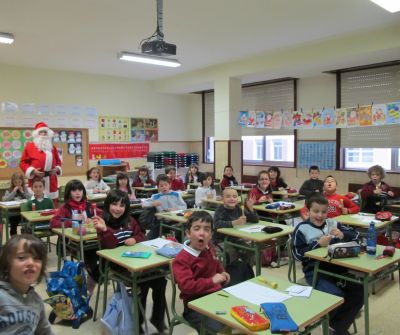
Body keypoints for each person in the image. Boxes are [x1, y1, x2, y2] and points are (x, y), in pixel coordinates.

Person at [92, 190, 167, 333]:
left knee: (161, 280)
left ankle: (157, 319)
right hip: (115, 265)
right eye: (114, 204)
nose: (118, 208)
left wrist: (135, 239)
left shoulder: (129, 220)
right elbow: (111, 245)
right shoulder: (103, 222)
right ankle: (137, 324)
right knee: (143, 283)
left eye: (122, 205)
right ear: (108, 205)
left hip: (134, 261)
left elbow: (141, 234)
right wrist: (104, 230)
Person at [291, 195, 363, 335]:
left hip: (338, 269)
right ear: (308, 211)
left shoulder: (332, 223)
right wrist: (318, 244)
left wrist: (342, 234)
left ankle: (335, 327)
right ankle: (329, 326)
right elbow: (296, 254)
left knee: (359, 291)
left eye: (324, 212)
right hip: (315, 271)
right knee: (335, 295)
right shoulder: (302, 228)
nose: (320, 215)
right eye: (316, 211)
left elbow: (356, 235)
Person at [172, 211, 230, 334]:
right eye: (197, 228)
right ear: (188, 233)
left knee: (237, 316)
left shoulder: (209, 247)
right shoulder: (181, 259)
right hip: (194, 305)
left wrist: (222, 272)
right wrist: (212, 281)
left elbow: (216, 264)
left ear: (211, 235)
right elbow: (187, 286)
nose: (202, 233)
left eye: (207, 229)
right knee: (214, 329)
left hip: (216, 296)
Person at [50, 179, 102, 287]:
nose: (77, 193)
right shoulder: (66, 207)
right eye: (74, 190)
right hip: (74, 244)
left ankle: (94, 276)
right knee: (90, 255)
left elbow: (103, 215)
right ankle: (95, 277)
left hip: (91, 240)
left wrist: (93, 220)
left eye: (80, 190)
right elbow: (53, 223)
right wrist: (73, 222)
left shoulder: (88, 205)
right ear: (69, 193)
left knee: (103, 252)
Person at [0, 234, 54, 334]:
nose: (31, 263)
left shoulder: (36, 301)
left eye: (37, 258)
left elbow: (44, 331)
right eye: (21, 257)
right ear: (6, 264)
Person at [19, 121, 62, 206]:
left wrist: (57, 169)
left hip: (51, 181)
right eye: (41, 132)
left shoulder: (52, 148)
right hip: (36, 180)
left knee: (52, 204)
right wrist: (33, 171)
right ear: (36, 134)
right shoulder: (30, 147)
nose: (43, 134)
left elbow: (58, 162)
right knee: (36, 204)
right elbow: (23, 162)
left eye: (45, 132)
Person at [213, 188, 259, 264]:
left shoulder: (238, 208)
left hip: (235, 239)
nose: (232, 199)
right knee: (231, 255)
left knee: (250, 251)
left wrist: (251, 208)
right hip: (221, 240)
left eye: (234, 196)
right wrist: (234, 223)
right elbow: (217, 224)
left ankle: (246, 271)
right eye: (228, 196)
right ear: (222, 199)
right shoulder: (220, 209)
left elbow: (255, 220)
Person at [142, 174, 187, 240]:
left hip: (176, 220)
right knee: (149, 237)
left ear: (170, 185)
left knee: (183, 231)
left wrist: (176, 209)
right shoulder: (155, 196)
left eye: (166, 185)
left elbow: (184, 206)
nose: (164, 187)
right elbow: (144, 204)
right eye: (161, 186)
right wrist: (152, 204)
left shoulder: (176, 194)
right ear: (158, 187)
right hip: (162, 221)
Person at [2, 172, 30, 236]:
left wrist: (23, 192)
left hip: (24, 212)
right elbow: (4, 200)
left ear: (22, 182)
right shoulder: (9, 190)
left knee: (27, 224)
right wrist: (13, 192)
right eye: (15, 182)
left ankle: (25, 236)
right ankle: (14, 238)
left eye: (19, 182)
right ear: (12, 182)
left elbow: (30, 198)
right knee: (13, 224)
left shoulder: (25, 189)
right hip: (13, 213)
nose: (17, 184)